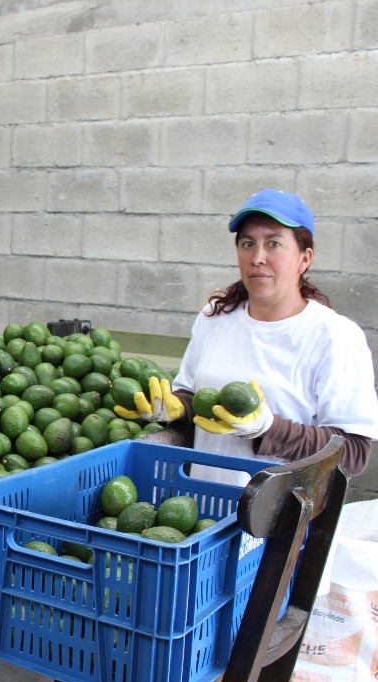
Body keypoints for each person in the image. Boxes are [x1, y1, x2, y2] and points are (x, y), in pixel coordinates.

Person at [118, 188, 377, 483]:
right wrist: (175, 409)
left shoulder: (335, 336)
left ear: (304, 259)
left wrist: (267, 428)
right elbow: (193, 398)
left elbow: (353, 454)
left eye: (274, 243)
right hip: (202, 508)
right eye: (248, 243)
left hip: (280, 519)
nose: (257, 257)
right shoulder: (214, 318)